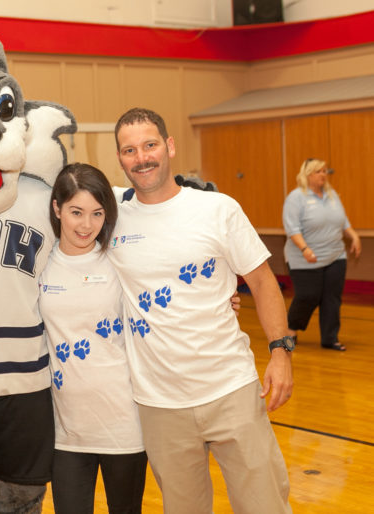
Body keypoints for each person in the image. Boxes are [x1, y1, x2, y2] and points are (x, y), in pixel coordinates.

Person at [109, 107, 294, 513]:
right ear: (120, 158)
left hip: (230, 388)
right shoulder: (110, 220)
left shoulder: (218, 209)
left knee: (264, 505)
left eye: (150, 145)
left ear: (170, 146)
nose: (142, 157)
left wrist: (280, 351)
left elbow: (263, 281)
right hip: (158, 402)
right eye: (129, 150)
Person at [39, 163, 147, 513]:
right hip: (66, 430)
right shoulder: (40, 263)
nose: (87, 225)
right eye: (76, 212)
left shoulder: (120, 260)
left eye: (97, 214)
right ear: (57, 208)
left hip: (124, 423)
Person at [282, 158, 361, 351]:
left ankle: (330, 338)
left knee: (332, 298)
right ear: (307, 175)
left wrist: (354, 236)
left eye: (325, 171)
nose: (323, 174)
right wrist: (304, 249)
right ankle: (291, 330)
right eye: (319, 171)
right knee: (308, 295)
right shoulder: (296, 197)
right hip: (305, 257)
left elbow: (343, 221)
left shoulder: (332, 195)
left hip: (335, 255)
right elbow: (292, 229)